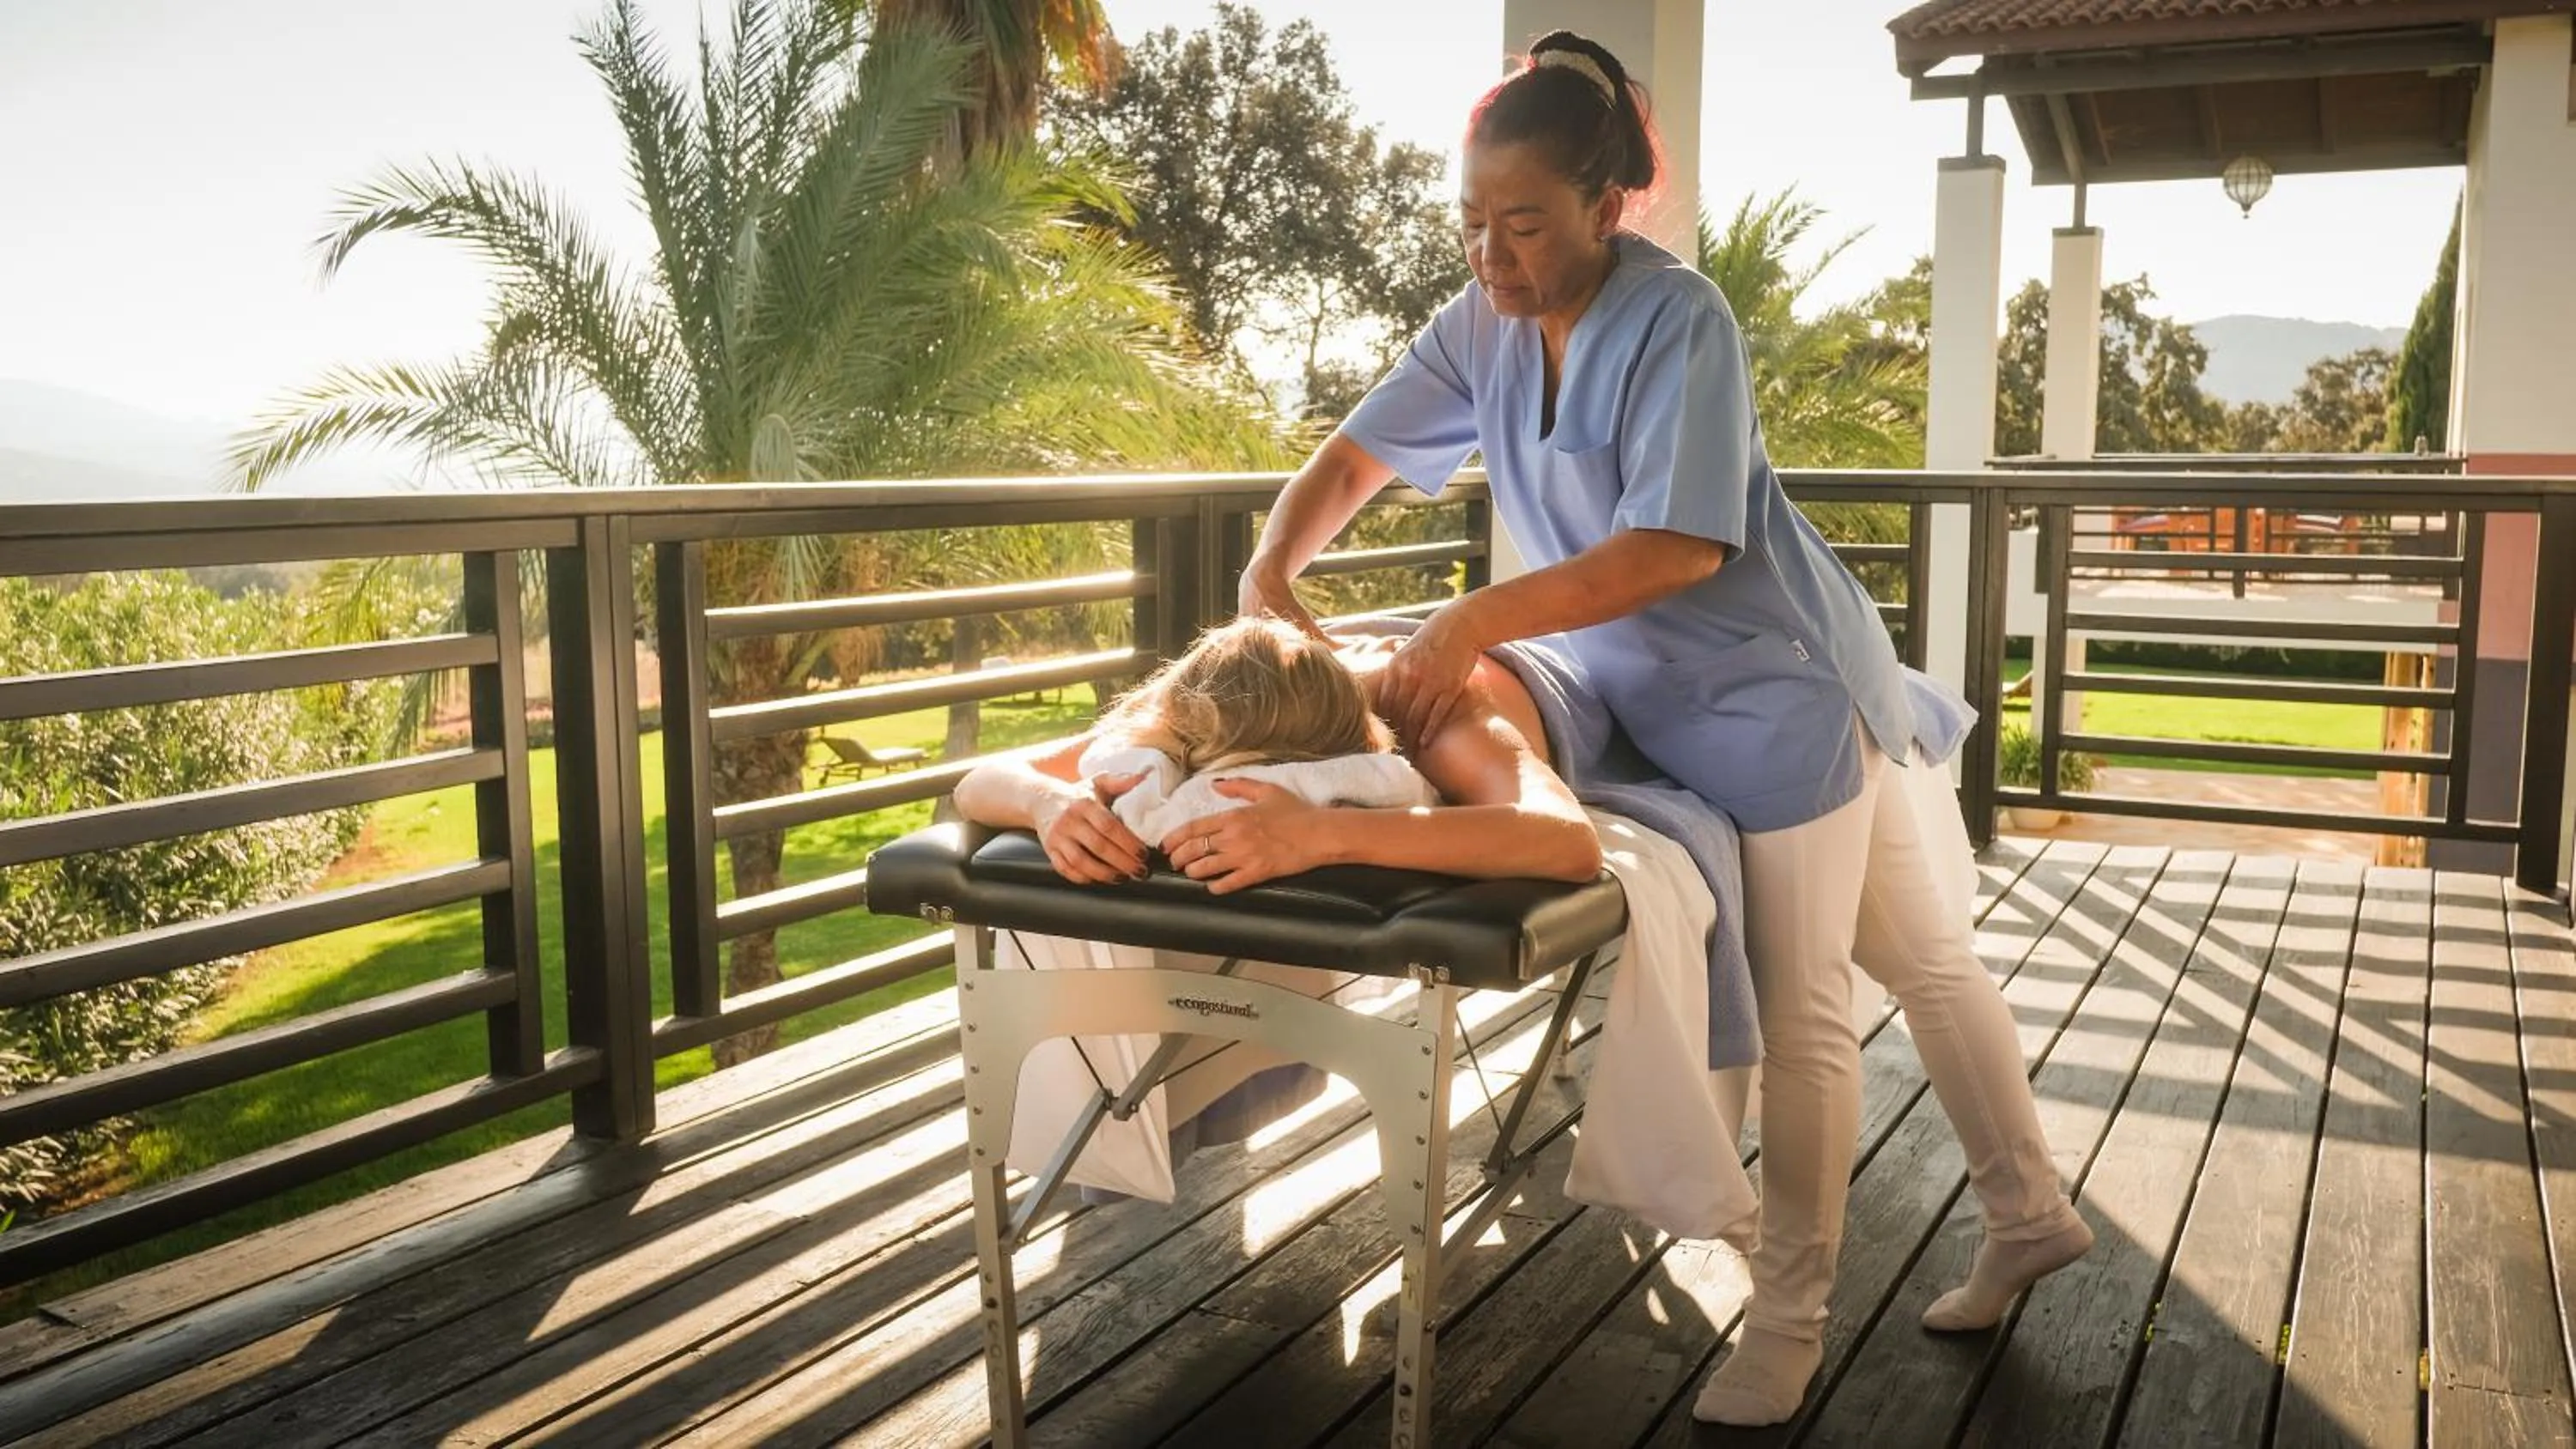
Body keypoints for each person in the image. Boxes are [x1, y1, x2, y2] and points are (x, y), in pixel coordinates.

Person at [1234, 31, 2094, 1427]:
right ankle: (2033, 1212)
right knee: (1928, 961)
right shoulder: (1483, 325)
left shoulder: (1681, 319)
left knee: (1820, 1006)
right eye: (1470, 224)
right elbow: (1353, 458)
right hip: (1655, 696)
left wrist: (1470, 623)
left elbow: (1679, 548)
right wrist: (1273, 571)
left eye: (1522, 225)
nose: (1491, 257)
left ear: (1603, 204)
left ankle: (1793, 1318)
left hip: (1776, 694)